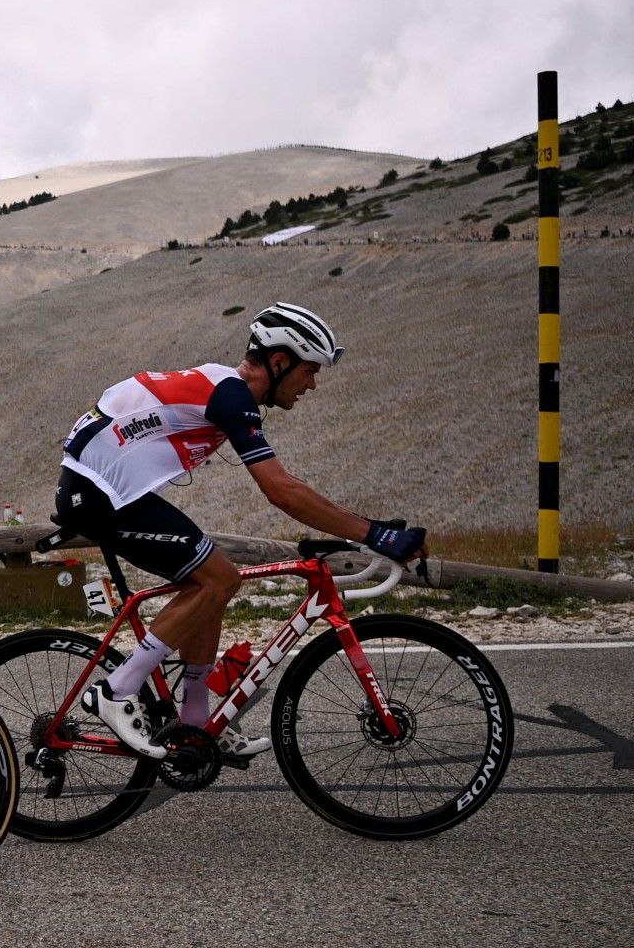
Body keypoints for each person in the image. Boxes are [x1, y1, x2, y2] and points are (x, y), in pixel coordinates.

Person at [58, 303, 428, 759]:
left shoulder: (223, 388)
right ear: (279, 363)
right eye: (309, 370)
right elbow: (282, 491)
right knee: (220, 577)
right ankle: (116, 691)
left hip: (105, 488)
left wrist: (366, 528)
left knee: (210, 581)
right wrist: (374, 534)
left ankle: (195, 722)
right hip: (99, 494)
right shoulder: (231, 396)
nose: (311, 384)